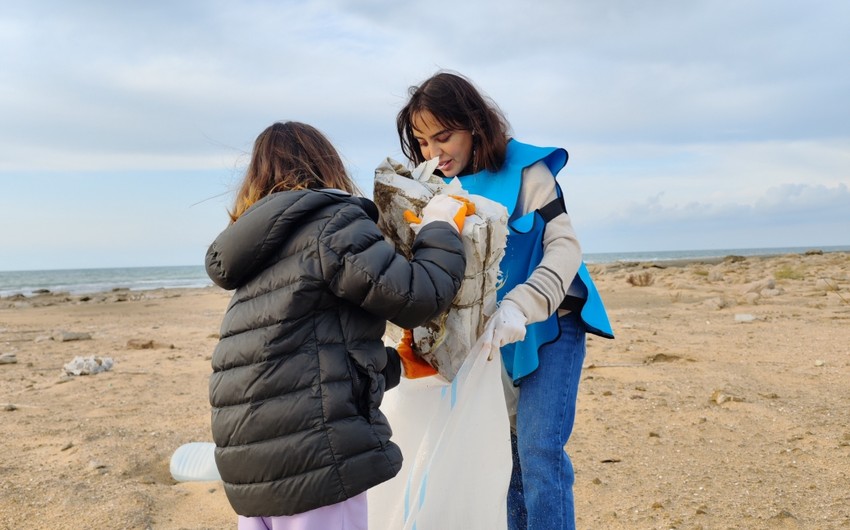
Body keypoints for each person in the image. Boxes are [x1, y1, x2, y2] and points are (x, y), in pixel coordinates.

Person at [204, 121, 470, 530]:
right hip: (314, 456)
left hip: (247, 463)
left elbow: (305, 355)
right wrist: (439, 225)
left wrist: (395, 366)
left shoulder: (254, 250)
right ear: (325, 164)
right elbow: (416, 297)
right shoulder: (331, 224)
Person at [396, 72, 614, 530]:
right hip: (490, 341)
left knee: (539, 452)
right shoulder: (434, 189)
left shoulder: (527, 171)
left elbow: (566, 248)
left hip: (550, 325)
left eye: (443, 136)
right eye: (420, 141)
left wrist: (521, 304)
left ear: (474, 124)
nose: (432, 152)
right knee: (504, 456)